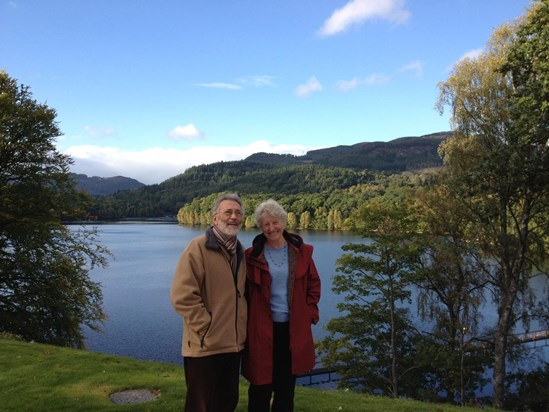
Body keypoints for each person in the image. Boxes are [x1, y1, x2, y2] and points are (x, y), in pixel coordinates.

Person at [170, 193, 247, 412]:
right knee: (200, 406)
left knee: (226, 403)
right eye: (228, 212)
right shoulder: (198, 247)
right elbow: (181, 296)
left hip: (233, 345)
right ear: (215, 218)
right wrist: (206, 327)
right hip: (205, 346)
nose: (233, 217)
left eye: (238, 213)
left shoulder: (240, 251)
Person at [242, 199, 321, 412]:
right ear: (260, 227)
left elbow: (314, 285)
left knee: (286, 388)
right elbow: (243, 293)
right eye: (266, 224)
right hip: (261, 330)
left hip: (292, 330)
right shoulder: (251, 255)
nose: (271, 228)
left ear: (284, 222)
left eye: (275, 222)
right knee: (260, 385)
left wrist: (310, 314)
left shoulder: (301, 252)